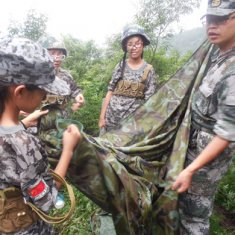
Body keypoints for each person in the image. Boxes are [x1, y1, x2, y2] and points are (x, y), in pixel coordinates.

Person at [0, 37, 80, 235]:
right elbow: (47, 197)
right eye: (42, 93)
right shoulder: (23, 143)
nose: (44, 98)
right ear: (20, 92)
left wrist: (22, 123)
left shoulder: (14, 133)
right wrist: (68, 150)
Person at [172, 1, 235, 234]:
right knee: (183, 208)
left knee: (194, 217)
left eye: (220, 19)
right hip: (193, 147)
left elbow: (226, 134)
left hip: (207, 160)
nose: (212, 26)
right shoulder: (216, 55)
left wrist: (190, 170)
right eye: (209, 19)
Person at [99, 24, 158, 134]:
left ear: (143, 45)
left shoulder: (149, 70)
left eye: (137, 43)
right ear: (126, 47)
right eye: (130, 44)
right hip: (111, 121)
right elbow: (110, 92)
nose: (133, 47)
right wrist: (102, 118)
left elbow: (150, 102)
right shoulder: (120, 66)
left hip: (132, 126)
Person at [47, 41, 85, 113]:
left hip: (61, 120)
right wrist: (65, 101)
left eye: (59, 54)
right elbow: (36, 100)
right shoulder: (37, 75)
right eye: (52, 54)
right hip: (38, 120)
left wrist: (79, 97)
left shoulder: (66, 75)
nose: (57, 58)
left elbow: (74, 89)